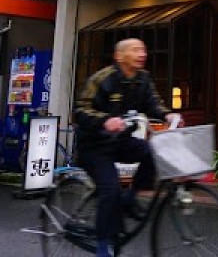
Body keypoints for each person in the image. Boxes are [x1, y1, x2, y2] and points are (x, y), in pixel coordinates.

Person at [74, 38, 180, 257]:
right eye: (135, 50)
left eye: (143, 49)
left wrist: (167, 114)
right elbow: (81, 109)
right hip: (94, 146)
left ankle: (130, 199)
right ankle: (104, 243)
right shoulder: (103, 79)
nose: (142, 53)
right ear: (119, 56)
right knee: (110, 190)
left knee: (151, 151)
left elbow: (153, 103)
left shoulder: (143, 78)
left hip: (120, 141)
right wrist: (104, 120)